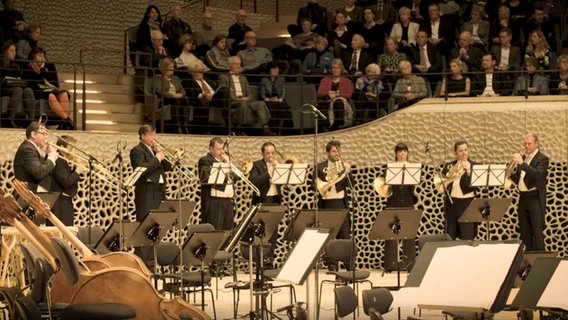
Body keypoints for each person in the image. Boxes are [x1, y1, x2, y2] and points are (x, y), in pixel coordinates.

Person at [509, 133, 549, 251]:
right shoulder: (525, 158)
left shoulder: (542, 159)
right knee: (525, 232)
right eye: (525, 143)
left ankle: (540, 262)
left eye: (529, 143)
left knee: (537, 232)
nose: (526, 146)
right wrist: (509, 173)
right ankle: (527, 261)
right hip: (523, 198)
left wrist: (522, 163)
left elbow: (537, 175)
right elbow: (519, 180)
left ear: (536, 144)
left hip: (535, 198)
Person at [382, 143, 417, 272]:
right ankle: (390, 264)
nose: (402, 154)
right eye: (400, 152)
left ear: (407, 153)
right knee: (391, 233)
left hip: (408, 201)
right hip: (393, 201)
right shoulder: (390, 168)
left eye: (404, 151)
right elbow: (385, 186)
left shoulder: (412, 168)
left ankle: (410, 264)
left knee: (409, 233)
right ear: (396, 154)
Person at [217, 56, 274, 136]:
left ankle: (265, 128)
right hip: (233, 102)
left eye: (239, 64)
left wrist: (247, 98)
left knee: (260, 104)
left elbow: (250, 94)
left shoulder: (243, 78)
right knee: (242, 104)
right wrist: (239, 100)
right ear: (230, 65)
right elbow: (226, 93)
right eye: (236, 64)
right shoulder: (223, 77)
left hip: (245, 100)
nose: (239, 66)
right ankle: (241, 130)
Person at [22, 47, 73, 129]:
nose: (42, 58)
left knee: (64, 94)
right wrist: (41, 70)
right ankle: (66, 120)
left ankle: (64, 121)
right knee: (51, 96)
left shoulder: (49, 66)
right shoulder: (28, 67)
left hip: (51, 89)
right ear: (33, 56)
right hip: (38, 91)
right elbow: (35, 82)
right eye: (39, 56)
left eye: (43, 56)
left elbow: (54, 81)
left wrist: (43, 70)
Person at [130, 125, 171, 223]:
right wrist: (157, 159)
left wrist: (161, 154)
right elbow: (142, 169)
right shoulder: (137, 150)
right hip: (147, 192)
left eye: (154, 135)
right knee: (146, 222)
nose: (154, 138)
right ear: (143, 136)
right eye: (151, 135)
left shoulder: (154, 151)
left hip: (159, 191)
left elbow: (168, 167)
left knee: (158, 223)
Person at [316, 140, 352, 239]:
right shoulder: (320, 167)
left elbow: (352, 185)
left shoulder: (343, 166)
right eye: (334, 151)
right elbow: (313, 186)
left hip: (341, 203)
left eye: (339, 151)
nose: (337, 153)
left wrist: (348, 171)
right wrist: (324, 184)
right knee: (329, 237)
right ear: (327, 153)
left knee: (344, 236)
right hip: (327, 204)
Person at [197, 137, 235, 230]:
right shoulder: (205, 160)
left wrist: (231, 168)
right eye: (219, 149)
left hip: (228, 201)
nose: (222, 152)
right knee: (216, 230)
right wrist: (224, 167)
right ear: (211, 149)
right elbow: (205, 179)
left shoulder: (226, 160)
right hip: (215, 201)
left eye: (222, 149)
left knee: (228, 232)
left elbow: (235, 179)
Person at [442, 139, 477, 240]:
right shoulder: (449, 166)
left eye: (465, 150)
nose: (464, 153)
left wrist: (469, 171)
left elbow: (475, 186)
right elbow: (443, 183)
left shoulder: (474, 166)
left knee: (467, 235)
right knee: (450, 235)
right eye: (461, 151)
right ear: (455, 153)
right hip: (452, 203)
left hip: (467, 203)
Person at [50, 135, 86, 226]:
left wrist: (75, 168)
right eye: (71, 148)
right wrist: (78, 171)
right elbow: (66, 182)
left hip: (64, 201)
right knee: (63, 231)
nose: (73, 151)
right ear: (62, 147)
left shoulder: (63, 160)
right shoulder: (58, 160)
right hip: (59, 203)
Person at [184, 61, 229, 134]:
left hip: (214, 99)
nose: (202, 72)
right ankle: (203, 130)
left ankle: (228, 125)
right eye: (199, 70)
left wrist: (212, 94)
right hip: (201, 100)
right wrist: (203, 95)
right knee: (203, 100)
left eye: (202, 70)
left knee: (225, 90)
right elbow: (190, 94)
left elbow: (216, 88)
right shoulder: (188, 81)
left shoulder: (208, 80)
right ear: (192, 71)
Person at [14, 121, 58, 193]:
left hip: (32, 194)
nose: (46, 137)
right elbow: (39, 172)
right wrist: (52, 158)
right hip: (27, 195)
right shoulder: (27, 149)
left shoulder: (31, 148)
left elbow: (42, 168)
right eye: (43, 134)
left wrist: (47, 154)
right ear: (33, 134)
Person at [1, 40, 35, 126]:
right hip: (2, 87)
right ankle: (10, 119)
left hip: (13, 86)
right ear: (5, 52)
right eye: (11, 51)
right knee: (18, 90)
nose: (14, 53)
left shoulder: (16, 66)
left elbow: (18, 79)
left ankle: (32, 120)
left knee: (28, 90)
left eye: (15, 51)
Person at [153, 57, 191, 134]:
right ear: (164, 68)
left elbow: (183, 91)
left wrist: (180, 94)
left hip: (177, 98)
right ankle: (177, 126)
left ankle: (184, 125)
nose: (172, 69)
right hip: (164, 99)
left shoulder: (176, 78)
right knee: (176, 101)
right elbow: (160, 91)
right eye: (170, 67)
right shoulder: (158, 77)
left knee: (185, 100)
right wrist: (172, 95)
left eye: (173, 67)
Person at [316, 59, 353, 131]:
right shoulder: (325, 80)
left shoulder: (346, 80)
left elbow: (349, 95)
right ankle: (325, 127)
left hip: (340, 101)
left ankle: (338, 124)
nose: (335, 70)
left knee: (338, 102)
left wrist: (337, 95)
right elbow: (319, 93)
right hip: (327, 100)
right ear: (331, 69)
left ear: (341, 69)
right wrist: (328, 93)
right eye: (333, 68)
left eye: (337, 68)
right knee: (322, 105)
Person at [259, 62, 292, 135]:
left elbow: (283, 93)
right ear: (269, 70)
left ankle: (279, 130)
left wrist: (280, 99)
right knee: (272, 107)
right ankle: (273, 130)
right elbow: (262, 94)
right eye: (273, 69)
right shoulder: (264, 80)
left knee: (283, 106)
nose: (276, 71)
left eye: (277, 69)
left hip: (279, 100)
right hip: (269, 101)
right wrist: (269, 99)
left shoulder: (281, 79)